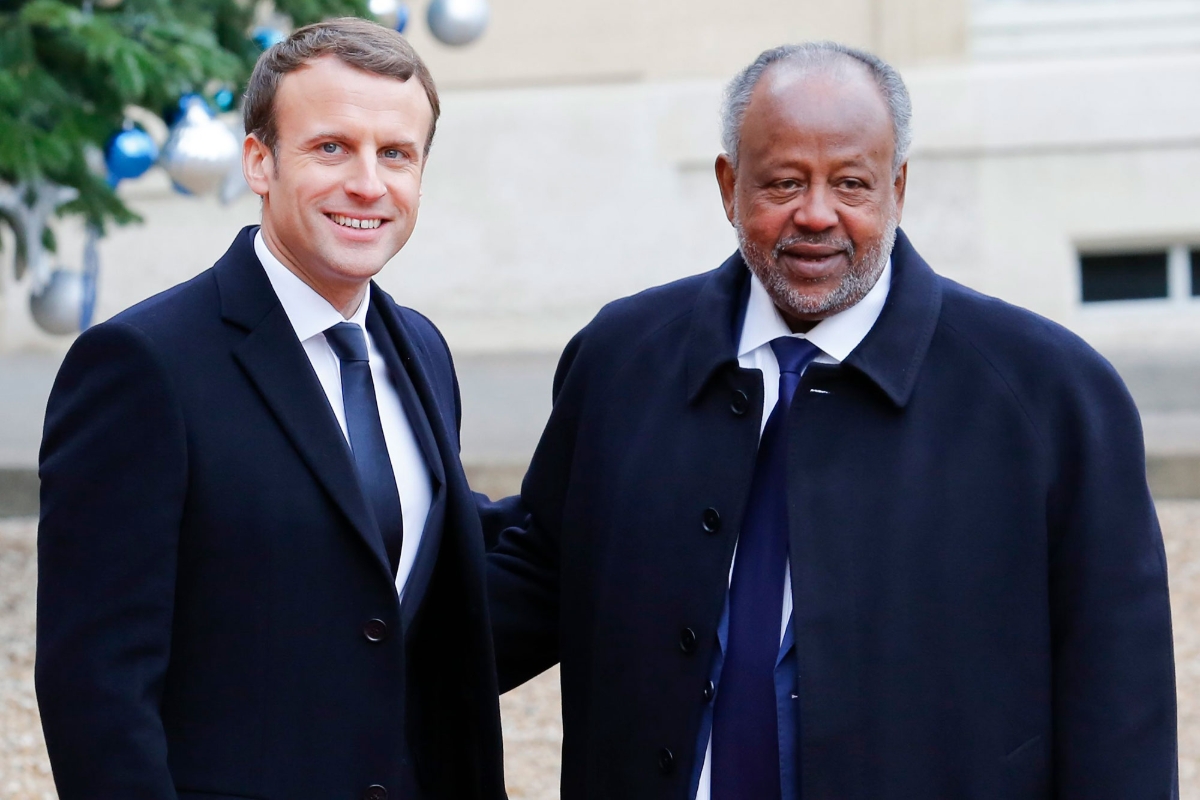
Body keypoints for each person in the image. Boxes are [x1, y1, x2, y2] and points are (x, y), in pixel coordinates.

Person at [486, 42, 1178, 798]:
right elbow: (538, 577)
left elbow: (1120, 700)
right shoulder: (621, 359)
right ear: (728, 185)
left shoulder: (1052, 395)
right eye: (784, 182)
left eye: (851, 183)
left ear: (898, 187)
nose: (816, 215)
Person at [37, 18, 505, 800]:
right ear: (259, 161)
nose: (368, 183)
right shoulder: (142, 365)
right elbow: (97, 687)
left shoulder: (421, 348)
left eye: (396, 154)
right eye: (332, 147)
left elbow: (405, 587)